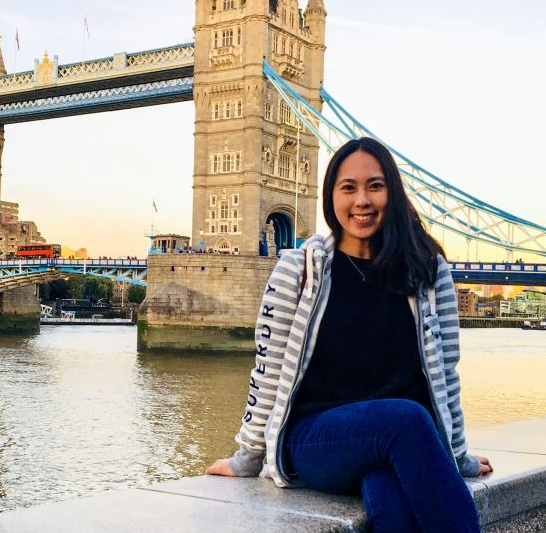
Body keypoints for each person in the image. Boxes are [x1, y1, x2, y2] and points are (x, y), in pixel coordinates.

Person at [207, 137, 492, 532]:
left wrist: (457, 455)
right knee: (405, 419)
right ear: (331, 196)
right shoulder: (299, 269)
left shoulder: (428, 271)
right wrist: (249, 456)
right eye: (349, 188)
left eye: (375, 186)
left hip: (398, 441)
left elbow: (447, 371)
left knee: (391, 503)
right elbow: (267, 370)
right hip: (317, 439)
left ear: (392, 192)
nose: (362, 200)